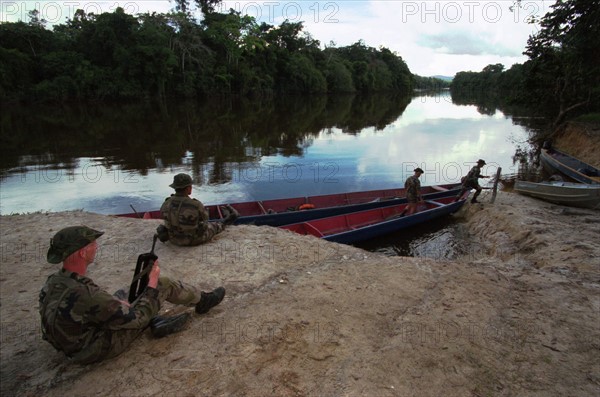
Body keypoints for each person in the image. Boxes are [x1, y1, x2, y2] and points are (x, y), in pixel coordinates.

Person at [39, 226, 226, 364]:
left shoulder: (54, 281)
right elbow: (137, 318)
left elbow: (84, 307)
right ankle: (203, 301)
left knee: (123, 293)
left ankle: (154, 316)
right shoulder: (88, 294)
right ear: (82, 253)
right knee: (162, 283)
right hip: (93, 349)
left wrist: (118, 304)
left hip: (73, 340)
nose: (95, 246)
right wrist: (152, 285)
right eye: (92, 244)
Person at [159, 173, 238, 246]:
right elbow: (206, 219)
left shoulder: (166, 203)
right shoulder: (195, 204)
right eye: (190, 186)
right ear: (188, 188)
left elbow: (163, 215)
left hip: (173, 239)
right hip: (192, 240)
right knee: (214, 226)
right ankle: (228, 220)